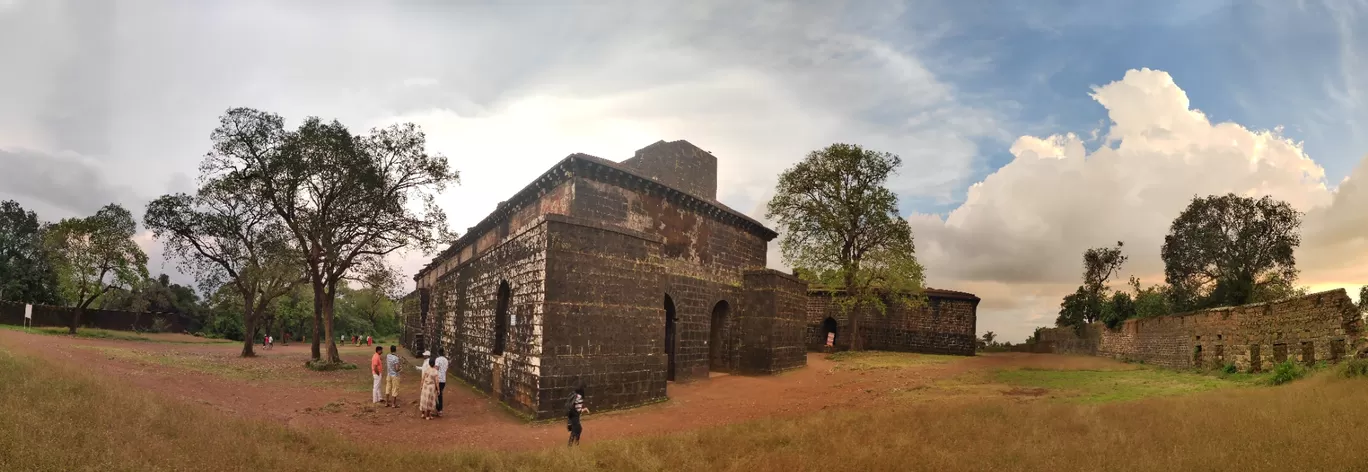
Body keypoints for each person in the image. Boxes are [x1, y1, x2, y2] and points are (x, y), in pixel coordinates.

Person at [418, 355, 440, 420]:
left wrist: (421, 385)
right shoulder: (435, 371)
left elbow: (423, 378)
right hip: (431, 387)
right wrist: (438, 390)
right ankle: (428, 415)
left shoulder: (427, 370)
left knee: (424, 399)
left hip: (425, 385)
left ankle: (422, 414)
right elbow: (437, 382)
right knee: (429, 400)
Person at [434, 348, 449, 417]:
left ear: (438, 352)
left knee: (433, 394)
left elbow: (436, 368)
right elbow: (446, 370)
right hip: (443, 379)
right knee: (440, 394)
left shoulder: (437, 359)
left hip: (438, 379)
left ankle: (438, 408)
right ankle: (440, 410)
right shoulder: (446, 360)